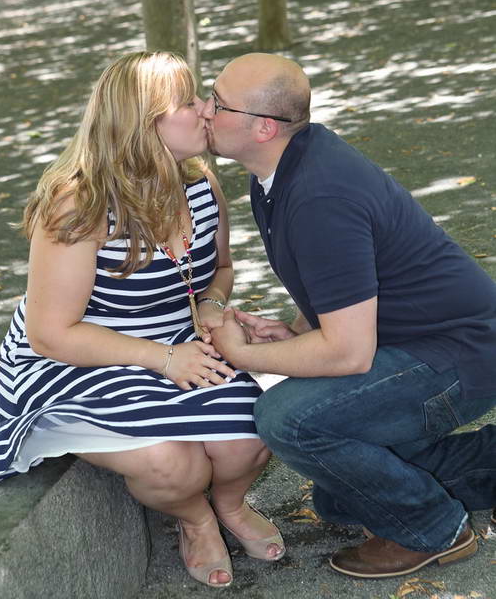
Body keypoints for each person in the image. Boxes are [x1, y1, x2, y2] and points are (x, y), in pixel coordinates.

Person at [0, 51, 285, 588]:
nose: (207, 108)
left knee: (253, 435)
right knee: (173, 465)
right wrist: (163, 359)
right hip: (79, 355)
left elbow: (223, 269)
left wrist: (210, 306)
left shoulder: (201, 185)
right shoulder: (79, 204)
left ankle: (231, 505)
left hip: (173, 339)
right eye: (188, 102)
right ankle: (196, 518)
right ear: (146, 126)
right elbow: (51, 333)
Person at [201, 52, 496, 580]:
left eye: (216, 101)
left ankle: (434, 530)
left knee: (287, 418)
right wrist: (295, 329)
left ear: (263, 127)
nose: (203, 109)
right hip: (419, 342)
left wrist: (249, 354)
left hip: (459, 356)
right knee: (345, 500)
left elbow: (347, 351)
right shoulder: (279, 168)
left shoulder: (318, 194)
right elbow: (343, 283)